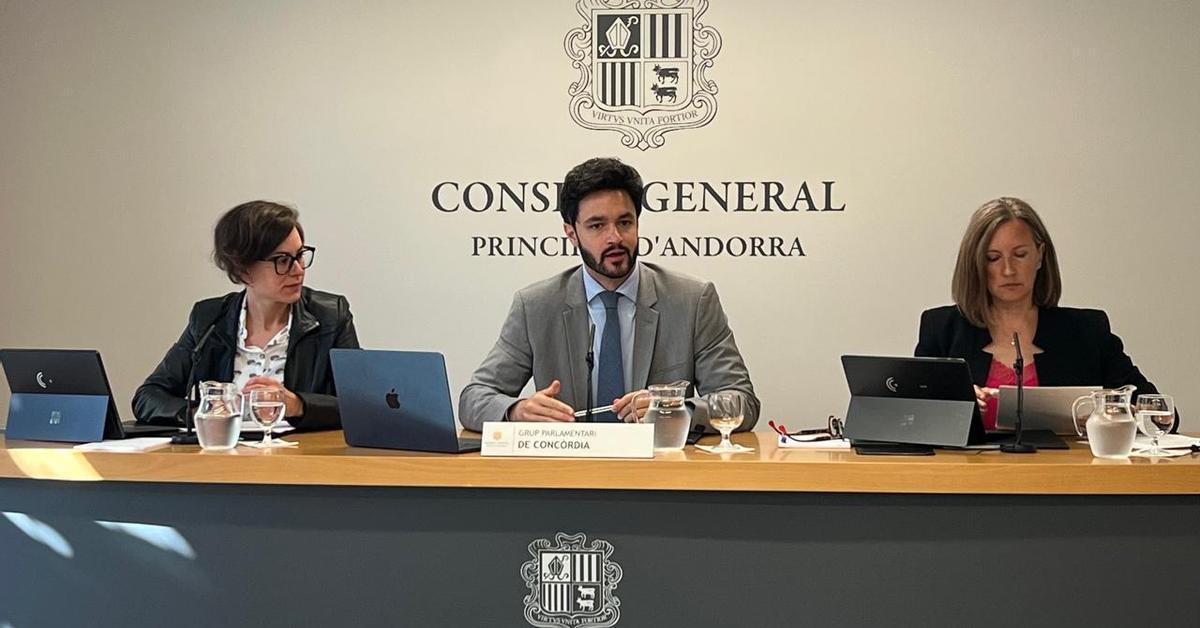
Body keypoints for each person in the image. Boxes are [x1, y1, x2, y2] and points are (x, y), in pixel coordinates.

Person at [458, 157, 759, 432]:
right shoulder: (536, 306)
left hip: (660, 469)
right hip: (568, 470)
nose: (615, 237)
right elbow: (474, 398)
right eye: (597, 225)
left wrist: (676, 410)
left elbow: (742, 402)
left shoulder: (692, 300)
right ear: (572, 233)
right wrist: (517, 411)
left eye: (625, 222)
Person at [915, 197, 1168, 430]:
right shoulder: (942, 329)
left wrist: (1112, 412)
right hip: (967, 466)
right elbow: (910, 420)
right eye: (993, 258)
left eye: (1020, 255)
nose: (1008, 270)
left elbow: (1161, 415)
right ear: (976, 264)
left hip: (1066, 466)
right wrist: (952, 407)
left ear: (1040, 256)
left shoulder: (1087, 331)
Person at [133, 200, 358, 431]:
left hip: (302, 452)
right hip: (224, 450)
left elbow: (362, 404)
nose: (298, 270)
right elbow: (147, 397)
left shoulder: (331, 316)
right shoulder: (209, 319)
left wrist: (297, 405)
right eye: (282, 260)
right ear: (242, 269)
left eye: (300, 255)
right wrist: (201, 412)